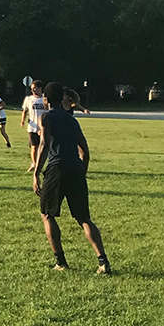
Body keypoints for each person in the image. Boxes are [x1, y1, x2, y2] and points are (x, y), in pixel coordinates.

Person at [32, 82, 111, 274]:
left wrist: (36, 173)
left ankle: (60, 261)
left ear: (46, 99)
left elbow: (43, 144)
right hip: (75, 168)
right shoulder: (72, 120)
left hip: (57, 168)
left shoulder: (46, 117)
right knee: (84, 218)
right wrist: (81, 171)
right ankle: (103, 262)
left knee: (47, 214)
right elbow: (85, 150)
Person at [21, 80, 45, 172]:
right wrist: (22, 121)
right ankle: (35, 164)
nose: (33, 90)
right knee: (34, 147)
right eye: (32, 89)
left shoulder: (45, 99)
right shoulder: (28, 99)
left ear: (39, 88)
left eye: (35, 88)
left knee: (42, 147)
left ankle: (39, 163)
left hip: (43, 127)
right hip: (32, 126)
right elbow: (25, 110)